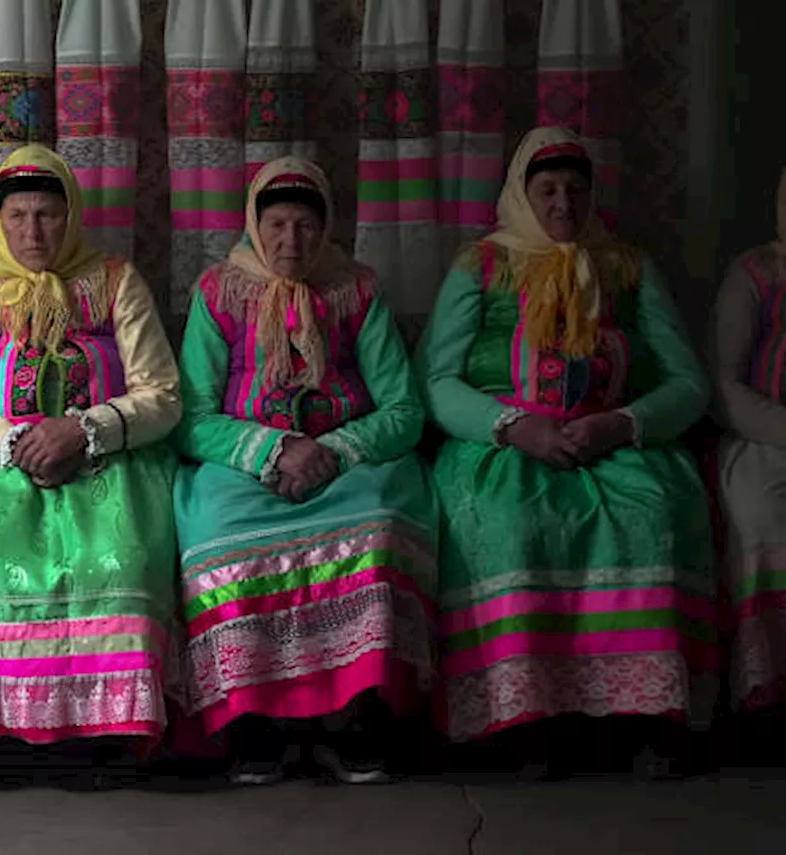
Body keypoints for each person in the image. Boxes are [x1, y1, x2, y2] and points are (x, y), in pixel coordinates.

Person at [418, 126, 717, 776]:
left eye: (576, 190)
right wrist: (511, 426)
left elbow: (689, 382)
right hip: (504, 443)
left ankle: (642, 721)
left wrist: (623, 424)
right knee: (510, 521)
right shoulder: (482, 265)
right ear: (522, 194)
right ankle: (523, 722)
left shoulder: (627, 266)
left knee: (653, 513)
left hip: (613, 438)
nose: (562, 204)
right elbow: (435, 380)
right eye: (547, 189)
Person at [171, 157, 438, 785]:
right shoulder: (218, 292)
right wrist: (273, 450)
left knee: (376, 531)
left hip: (348, 464)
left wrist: (333, 452)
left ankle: (357, 719)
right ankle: (256, 725)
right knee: (218, 538)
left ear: (328, 231)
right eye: (278, 225)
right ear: (253, 226)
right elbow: (191, 415)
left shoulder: (357, 291)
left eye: (307, 227)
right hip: (246, 465)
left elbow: (404, 409)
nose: (292, 242)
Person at [0, 145, 181, 771]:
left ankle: (109, 736)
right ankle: (2, 738)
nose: (32, 232)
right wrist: (10, 441)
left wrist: (84, 430)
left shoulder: (116, 282)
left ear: (73, 216)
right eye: (17, 216)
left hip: (106, 462)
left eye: (47, 215)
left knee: (117, 557)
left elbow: (162, 394)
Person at [713, 165, 786, 714]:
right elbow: (723, 382)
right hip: (766, 436)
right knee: (762, 514)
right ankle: (769, 696)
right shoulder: (758, 273)